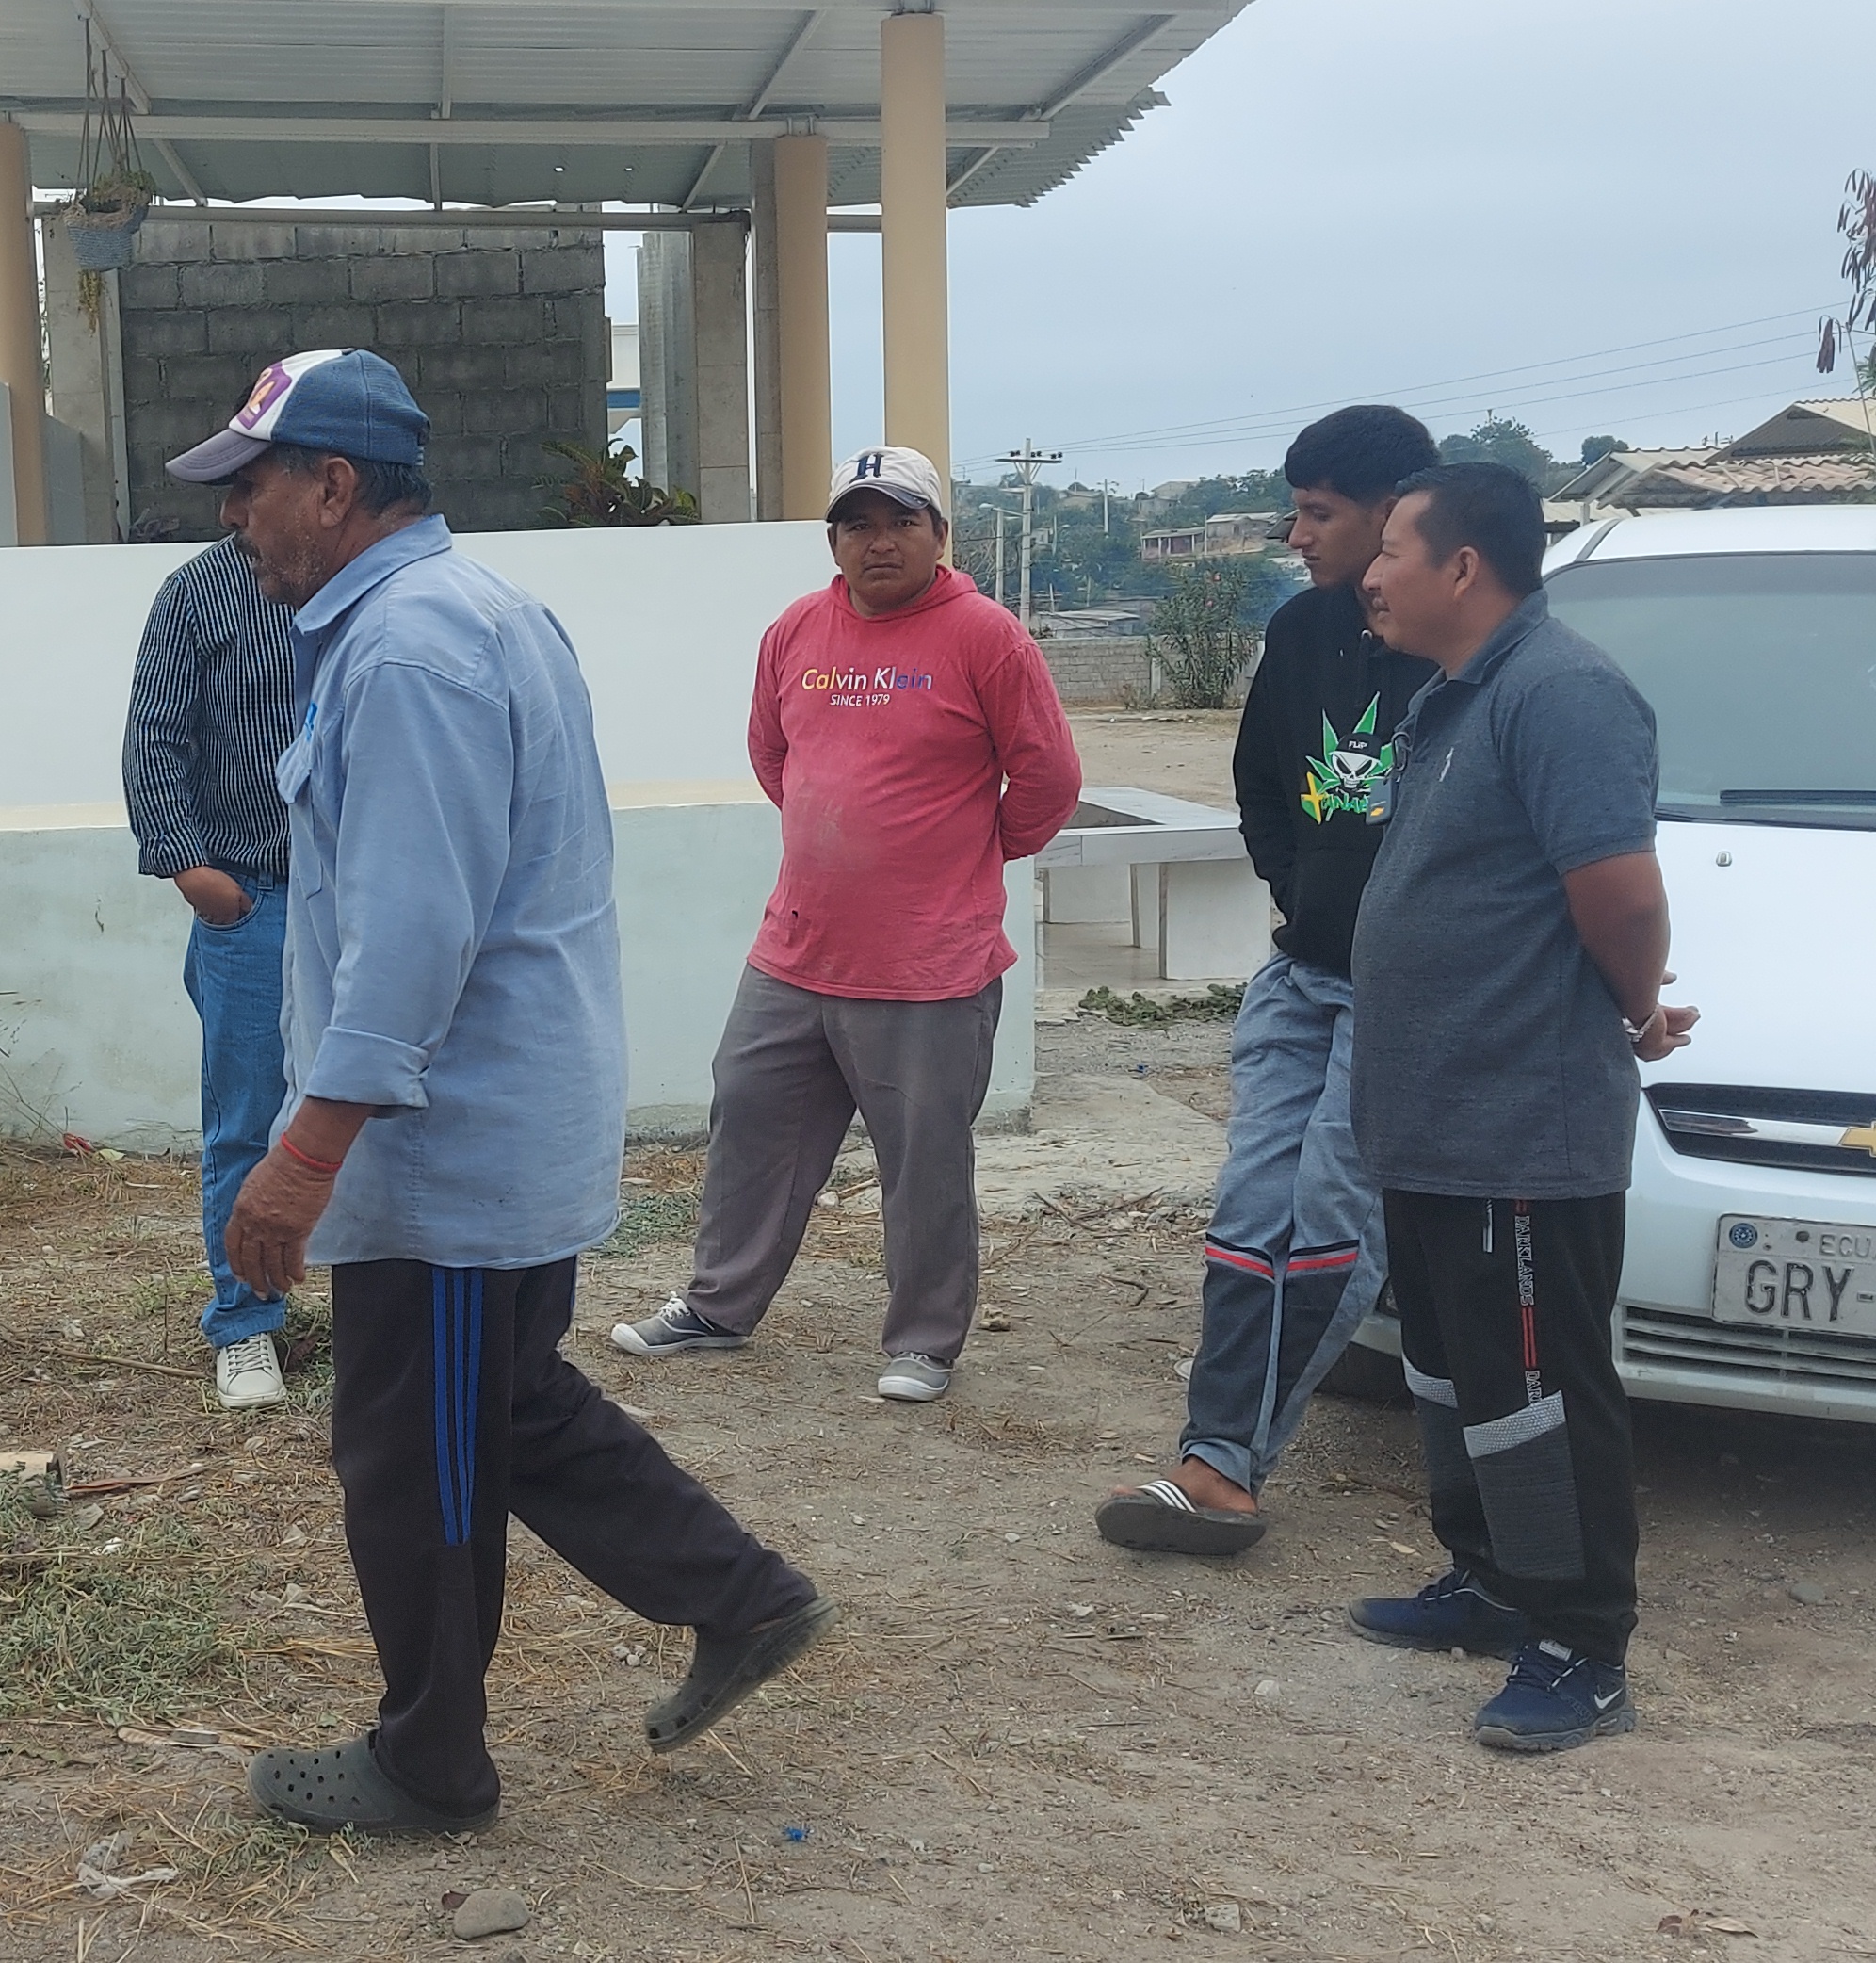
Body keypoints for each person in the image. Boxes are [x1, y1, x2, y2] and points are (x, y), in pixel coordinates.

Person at [181, 349, 831, 1834]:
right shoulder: (456, 616)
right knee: (503, 1405)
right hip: (479, 1122)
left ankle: (432, 1763)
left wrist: (304, 1154)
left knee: (418, 1457)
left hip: (448, 1144)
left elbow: (413, 937)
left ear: (332, 487)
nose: (233, 517)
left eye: (251, 485)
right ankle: (741, 1595)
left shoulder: (411, 652)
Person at [1337, 462, 1691, 1755]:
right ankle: (1488, 1578)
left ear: (1462, 566)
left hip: (1519, 1122)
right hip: (1433, 1118)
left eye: (1390, 549)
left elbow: (1623, 894)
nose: (1370, 575)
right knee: (1455, 1369)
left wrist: (1637, 1008)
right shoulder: (1454, 694)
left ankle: (1580, 1641)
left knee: (1542, 1388)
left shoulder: (1562, 692)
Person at [606, 444, 1078, 1403]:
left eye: (901, 520)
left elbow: (1047, 778)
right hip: (796, 948)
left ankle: (924, 1341)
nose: (879, 541)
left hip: (928, 964)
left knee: (923, 1161)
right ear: (833, 541)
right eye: (857, 524)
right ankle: (718, 1306)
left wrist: (964, 857)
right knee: (750, 1119)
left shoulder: (986, 636)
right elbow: (771, 752)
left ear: (939, 533)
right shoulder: (796, 630)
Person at [1101, 405, 1440, 1556]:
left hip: (1401, 998)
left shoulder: (1466, 655)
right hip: (1303, 977)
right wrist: (1305, 892)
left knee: (1336, 1221)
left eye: (1316, 513)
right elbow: (1259, 786)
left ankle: (1222, 1462)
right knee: (1250, 1216)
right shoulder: (1300, 633)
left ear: (1394, 511)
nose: (1296, 535)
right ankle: (1216, 1454)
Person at [122, 536, 304, 1410]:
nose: (240, 506)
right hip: (255, 896)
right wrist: (197, 874)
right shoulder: (200, 591)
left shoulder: (369, 586)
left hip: (367, 894)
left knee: (392, 1110)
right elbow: (154, 739)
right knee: (247, 1120)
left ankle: (387, 1308)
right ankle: (245, 1323)